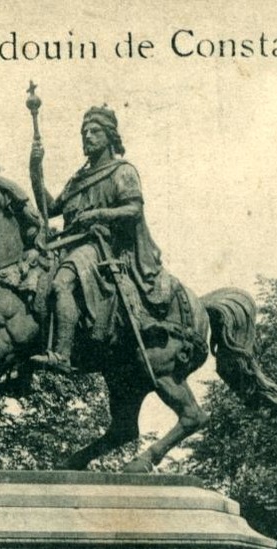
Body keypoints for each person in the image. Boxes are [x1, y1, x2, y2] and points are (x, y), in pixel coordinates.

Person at [29, 105, 174, 372]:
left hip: (100, 246)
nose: (87, 136)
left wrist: (98, 214)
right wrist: (34, 168)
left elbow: (134, 210)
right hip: (67, 245)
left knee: (62, 283)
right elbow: (48, 208)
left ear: (109, 136)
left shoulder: (122, 171)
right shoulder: (78, 179)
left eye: (94, 131)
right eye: (84, 132)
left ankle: (61, 355)